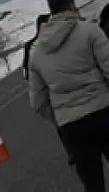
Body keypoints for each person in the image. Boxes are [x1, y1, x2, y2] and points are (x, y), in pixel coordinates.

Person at [28, 0, 109, 192]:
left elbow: (37, 102)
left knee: (92, 185)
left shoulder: (36, 52)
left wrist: (61, 118)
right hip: (105, 111)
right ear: (71, 4)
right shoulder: (89, 30)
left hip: (72, 127)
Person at [22, 13, 75, 166]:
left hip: (46, 91)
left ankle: (71, 151)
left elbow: (26, 72)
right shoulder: (50, 41)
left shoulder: (29, 46)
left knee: (60, 122)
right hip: (58, 86)